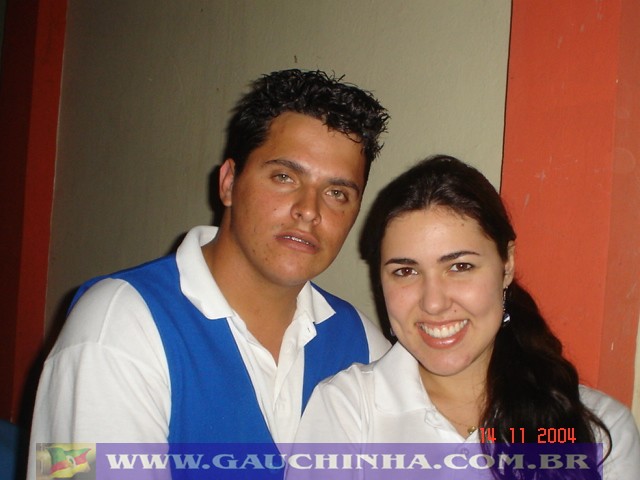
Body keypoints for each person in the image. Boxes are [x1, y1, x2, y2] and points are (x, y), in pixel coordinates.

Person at [28, 69, 391, 475]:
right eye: (284, 177)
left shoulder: (362, 344)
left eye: (337, 193)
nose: (310, 210)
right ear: (229, 183)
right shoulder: (110, 329)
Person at [294, 155, 640, 479]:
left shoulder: (600, 430)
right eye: (405, 271)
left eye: (460, 267)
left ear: (507, 265)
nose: (433, 303)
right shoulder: (347, 409)